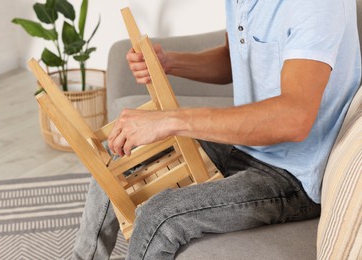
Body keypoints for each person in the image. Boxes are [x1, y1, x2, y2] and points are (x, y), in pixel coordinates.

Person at [73, 0, 361, 259]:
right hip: (243, 142)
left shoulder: (319, 5)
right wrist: (170, 63)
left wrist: (170, 120)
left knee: (158, 216)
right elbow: (233, 57)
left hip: (292, 175)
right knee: (117, 153)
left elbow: (294, 119)